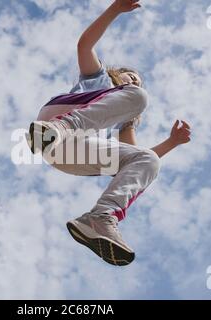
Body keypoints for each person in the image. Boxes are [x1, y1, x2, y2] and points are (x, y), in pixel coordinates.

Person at [27, 0, 191, 266]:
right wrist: (114, 9)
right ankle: (58, 129)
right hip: (56, 119)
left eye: (137, 81)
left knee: (148, 161)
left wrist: (172, 143)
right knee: (138, 99)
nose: (134, 82)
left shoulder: (124, 119)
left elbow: (138, 156)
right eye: (130, 77)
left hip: (65, 155)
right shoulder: (97, 78)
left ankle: (100, 218)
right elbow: (84, 45)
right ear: (117, 74)